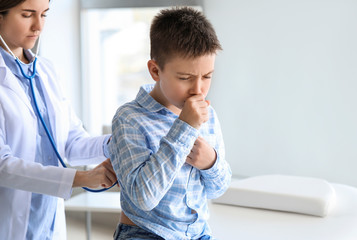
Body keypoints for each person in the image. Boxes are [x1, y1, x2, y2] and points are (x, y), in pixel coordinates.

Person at [110, 6, 232, 240]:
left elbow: (218, 188)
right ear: (155, 70)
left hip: (198, 233)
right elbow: (143, 198)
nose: (198, 89)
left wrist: (211, 162)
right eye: (185, 78)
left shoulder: (209, 114)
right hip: (145, 232)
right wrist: (184, 127)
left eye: (207, 76)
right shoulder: (130, 119)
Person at [0, 0, 118, 239]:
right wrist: (81, 178)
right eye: (27, 15)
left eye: (44, 15)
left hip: (49, 222)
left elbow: (71, 142)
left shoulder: (46, 71)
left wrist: (119, 144)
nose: (38, 26)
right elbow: (2, 166)